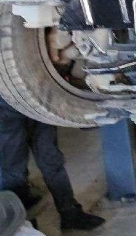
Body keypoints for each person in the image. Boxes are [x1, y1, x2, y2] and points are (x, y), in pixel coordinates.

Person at [0, 96, 105, 231]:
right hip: (9, 103)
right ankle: (22, 223)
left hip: (36, 101)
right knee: (13, 169)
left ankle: (69, 212)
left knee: (51, 161)